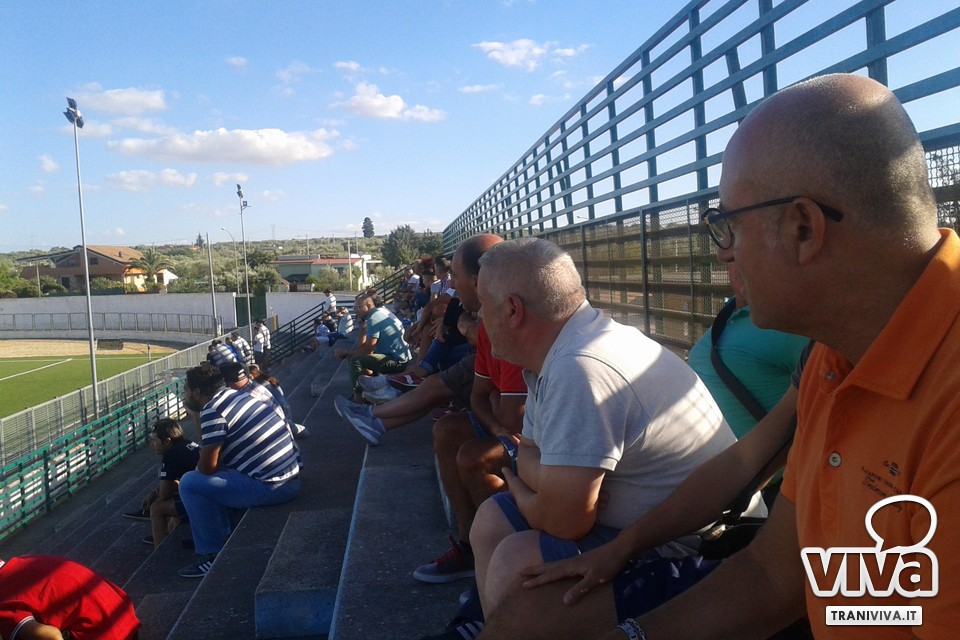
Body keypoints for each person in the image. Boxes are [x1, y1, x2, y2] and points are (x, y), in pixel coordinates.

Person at [576, 72, 960, 640]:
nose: (723, 256)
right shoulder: (835, 354)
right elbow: (775, 574)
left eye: (727, 227)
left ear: (802, 228)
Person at [462, 237, 736, 638]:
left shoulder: (580, 369)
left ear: (513, 310)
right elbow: (529, 453)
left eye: (483, 306)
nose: (480, 318)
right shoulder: (563, 349)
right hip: (635, 524)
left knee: (515, 559)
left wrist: (524, 489)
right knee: (491, 520)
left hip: (689, 543)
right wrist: (544, 485)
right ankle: (497, 626)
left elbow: (564, 520)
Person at [177, 362, 300, 578]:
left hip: (274, 486)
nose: (184, 396)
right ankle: (217, 532)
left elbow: (207, 468)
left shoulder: (213, 410)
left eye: (186, 390)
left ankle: (212, 554)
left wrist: (196, 418)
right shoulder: (237, 396)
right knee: (211, 472)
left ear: (196, 392)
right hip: (290, 478)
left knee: (189, 483)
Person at [0, 554, 141, 640]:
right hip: (125, 619)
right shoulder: (25, 561)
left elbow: (51, 637)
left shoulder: (3, 596)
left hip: (104, 634)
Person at [130, 417, 200, 549]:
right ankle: (166, 534)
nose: (151, 445)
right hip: (207, 495)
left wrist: (155, 494)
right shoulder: (186, 444)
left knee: (157, 508)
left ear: (167, 441)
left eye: (154, 441)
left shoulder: (171, 455)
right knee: (176, 496)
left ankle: (161, 550)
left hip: (204, 502)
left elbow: (164, 494)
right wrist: (156, 491)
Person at [335, 293, 412, 401]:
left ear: (369, 306)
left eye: (358, 307)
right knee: (355, 355)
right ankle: (371, 387)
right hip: (399, 357)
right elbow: (363, 347)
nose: (356, 310)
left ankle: (358, 399)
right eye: (354, 308)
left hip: (397, 361)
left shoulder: (373, 319)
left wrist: (346, 351)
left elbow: (368, 349)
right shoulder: (380, 312)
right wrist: (363, 330)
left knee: (355, 360)